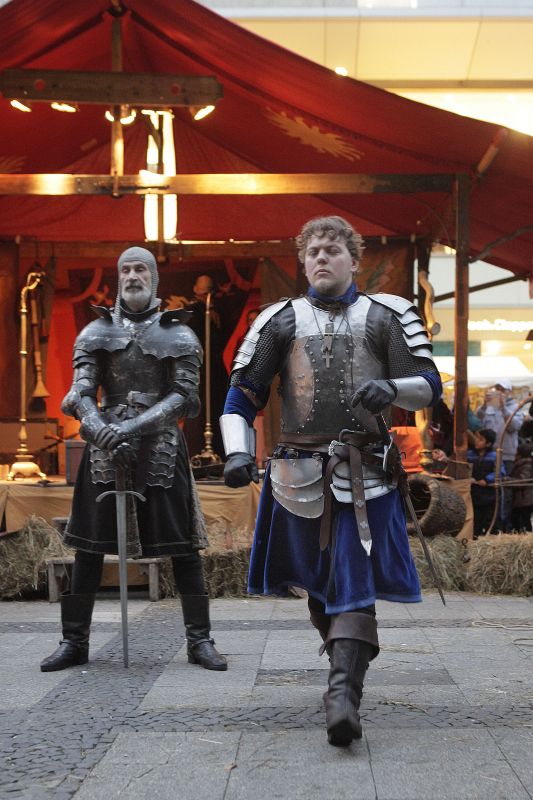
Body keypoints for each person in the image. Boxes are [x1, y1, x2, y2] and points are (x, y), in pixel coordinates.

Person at [220, 216, 441, 746]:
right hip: (297, 474)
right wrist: (236, 452)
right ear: (303, 262)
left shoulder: (388, 316)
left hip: (368, 476)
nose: (322, 257)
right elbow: (241, 395)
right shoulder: (279, 321)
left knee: (353, 582)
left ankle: (343, 696)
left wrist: (392, 388)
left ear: (354, 260)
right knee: (321, 587)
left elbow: (429, 384)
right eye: (313, 251)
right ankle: (342, 669)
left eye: (333, 250)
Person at [41, 247, 227, 673]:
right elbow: (80, 392)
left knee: (183, 547)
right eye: (125, 269)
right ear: (117, 277)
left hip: (160, 446)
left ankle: (200, 640)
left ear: (154, 277)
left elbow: (183, 397)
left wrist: (131, 428)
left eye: (140, 268)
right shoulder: (95, 331)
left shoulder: (179, 334)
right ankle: (74, 641)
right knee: (88, 547)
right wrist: (101, 428)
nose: (132, 276)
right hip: (104, 447)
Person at [467, 428, 505, 537]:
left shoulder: (494, 456)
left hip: (489, 494)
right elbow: (463, 467)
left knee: (490, 520)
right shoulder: (469, 454)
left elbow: (500, 471)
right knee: (476, 521)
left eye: (480, 439)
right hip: (474, 493)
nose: (476, 441)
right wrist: (469, 478)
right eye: (476, 438)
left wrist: (487, 479)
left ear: (488, 444)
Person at [509, 442, 533, 532]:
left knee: (524, 520)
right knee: (518, 519)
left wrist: (508, 480)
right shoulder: (521, 464)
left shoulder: (527, 465)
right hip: (522, 498)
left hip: (525, 499)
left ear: (520, 454)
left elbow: (522, 481)